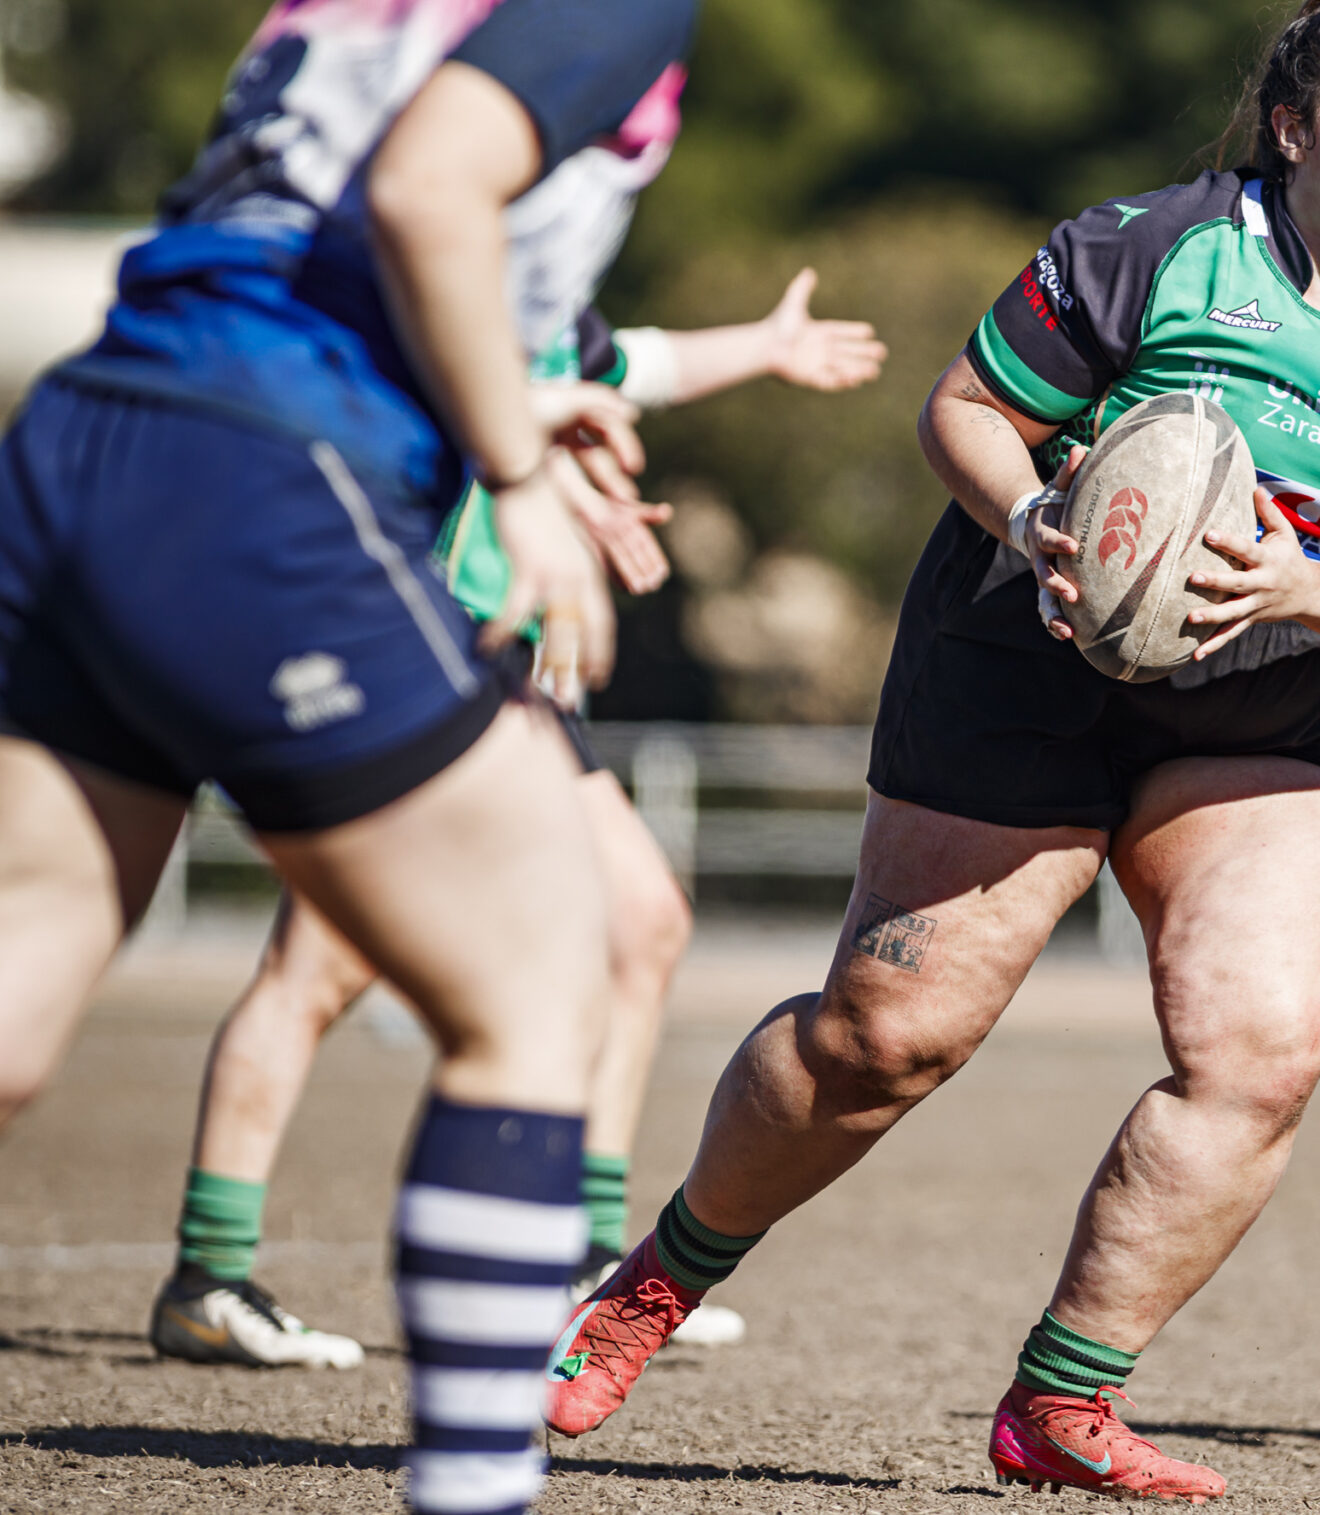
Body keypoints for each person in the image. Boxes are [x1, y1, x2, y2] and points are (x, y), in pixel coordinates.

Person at [542, 0, 1320, 1503]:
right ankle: (653, 1281)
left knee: (1260, 1057)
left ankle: (1064, 1397)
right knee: (887, 1035)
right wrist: (1038, 516)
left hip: (1273, 712)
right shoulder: (1157, 247)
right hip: (1029, 656)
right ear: (1291, 124)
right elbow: (964, 408)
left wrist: (1303, 586)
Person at [0, 0, 723, 1513]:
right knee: (548, 959)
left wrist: (503, 395)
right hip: (267, 466)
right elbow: (422, 189)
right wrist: (518, 466)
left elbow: (310, 212)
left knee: (20, 986)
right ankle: (474, 1488)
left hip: (99, 436)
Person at [147, 274, 885, 1370]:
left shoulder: (545, 280)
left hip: (518, 691)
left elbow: (626, 359)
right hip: (411, 662)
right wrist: (548, 486)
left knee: (643, 923)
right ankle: (209, 1277)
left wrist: (765, 343)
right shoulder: (422, 286)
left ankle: (584, 1262)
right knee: (317, 971)